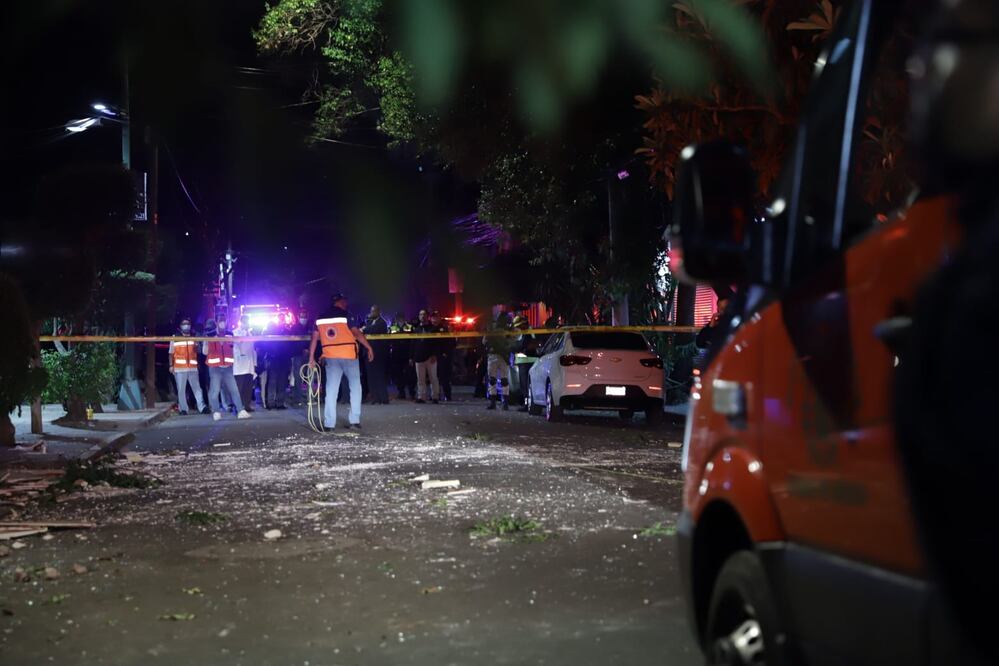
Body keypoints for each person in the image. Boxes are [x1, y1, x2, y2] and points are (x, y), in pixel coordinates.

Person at [308, 292, 375, 430]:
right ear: (338, 302)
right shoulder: (346, 315)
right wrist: (368, 347)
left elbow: (314, 339)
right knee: (355, 388)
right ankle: (354, 421)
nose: (346, 303)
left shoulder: (320, 317)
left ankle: (329, 423)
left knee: (331, 391)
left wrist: (311, 359)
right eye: (344, 301)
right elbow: (356, 333)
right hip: (349, 356)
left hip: (331, 357)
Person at [203, 315, 251, 421]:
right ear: (216, 322)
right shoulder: (209, 335)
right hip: (215, 368)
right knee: (214, 391)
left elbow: (236, 347)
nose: (222, 323)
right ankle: (216, 412)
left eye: (224, 321)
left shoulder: (230, 334)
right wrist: (206, 342)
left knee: (234, 390)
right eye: (220, 321)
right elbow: (204, 352)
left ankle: (240, 410)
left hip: (228, 367)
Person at [168, 317, 206, 415]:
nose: (186, 325)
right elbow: (171, 353)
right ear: (180, 326)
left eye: (188, 323)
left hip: (192, 368)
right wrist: (171, 365)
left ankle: (202, 407)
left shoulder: (193, 336)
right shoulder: (175, 337)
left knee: (197, 389)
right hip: (180, 368)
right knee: (181, 390)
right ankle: (183, 409)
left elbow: (197, 351)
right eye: (184, 324)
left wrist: (197, 345)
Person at [483, 311, 514, 410]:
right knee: (499, 380)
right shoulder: (506, 330)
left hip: (498, 356)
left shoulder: (505, 330)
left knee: (496, 380)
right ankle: (501, 403)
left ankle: (498, 403)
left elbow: (484, 342)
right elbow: (485, 341)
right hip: (498, 356)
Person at [411, 309, 441, 404]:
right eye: (420, 314)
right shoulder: (416, 329)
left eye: (424, 314)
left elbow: (437, 344)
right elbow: (412, 344)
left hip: (430, 357)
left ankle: (435, 397)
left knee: (433, 378)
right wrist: (411, 357)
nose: (422, 316)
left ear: (427, 316)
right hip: (418, 357)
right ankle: (421, 397)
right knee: (420, 379)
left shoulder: (433, 329)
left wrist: (435, 355)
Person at [362, 305, 390, 404]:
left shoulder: (382, 323)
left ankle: (383, 398)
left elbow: (371, 330)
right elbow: (364, 331)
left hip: (378, 354)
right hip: (368, 353)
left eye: (373, 311)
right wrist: (365, 328)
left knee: (379, 376)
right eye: (371, 311)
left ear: (378, 312)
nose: (371, 313)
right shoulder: (369, 321)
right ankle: (375, 398)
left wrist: (365, 329)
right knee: (370, 377)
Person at [512, 315, 540, 412]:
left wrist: (516, 347)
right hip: (524, 362)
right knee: (525, 385)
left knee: (526, 385)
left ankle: (527, 405)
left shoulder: (529, 332)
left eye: (519, 326)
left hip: (527, 362)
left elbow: (528, 345)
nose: (518, 328)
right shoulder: (526, 332)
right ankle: (527, 404)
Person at [232, 314, 257, 412]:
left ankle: (247, 405)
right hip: (240, 365)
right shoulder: (235, 332)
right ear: (241, 321)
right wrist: (244, 334)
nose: (246, 323)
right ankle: (238, 406)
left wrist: (254, 364)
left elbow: (253, 349)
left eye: (248, 321)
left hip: (249, 365)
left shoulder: (250, 333)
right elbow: (238, 345)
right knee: (240, 388)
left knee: (248, 388)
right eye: (245, 321)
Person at [265, 320, 292, 410]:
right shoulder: (271, 332)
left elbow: (289, 347)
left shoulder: (286, 332)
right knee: (274, 383)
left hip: (281, 360)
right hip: (275, 360)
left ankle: (277, 403)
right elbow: (267, 346)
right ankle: (273, 402)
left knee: (280, 383)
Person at [389, 312, 415, 399]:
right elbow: (388, 341)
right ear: (396, 318)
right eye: (398, 317)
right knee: (398, 375)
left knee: (410, 374)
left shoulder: (410, 327)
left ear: (404, 318)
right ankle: (401, 392)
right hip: (396, 355)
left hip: (407, 354)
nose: (400, 319)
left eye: (401, 317)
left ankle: (412, 392)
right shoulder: (391, 328)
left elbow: (413, 342)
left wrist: (411, 356)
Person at [432, 311, 454, 401]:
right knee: (434, 377)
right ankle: (435, 395)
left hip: (443, 356)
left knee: (445, 377)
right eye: (433, 317)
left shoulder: (444, 329)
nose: (435, 319)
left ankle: (447, 395)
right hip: (433, 356)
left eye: (437, 317)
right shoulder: (430, 329)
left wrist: (446, 353)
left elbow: (451, 343)